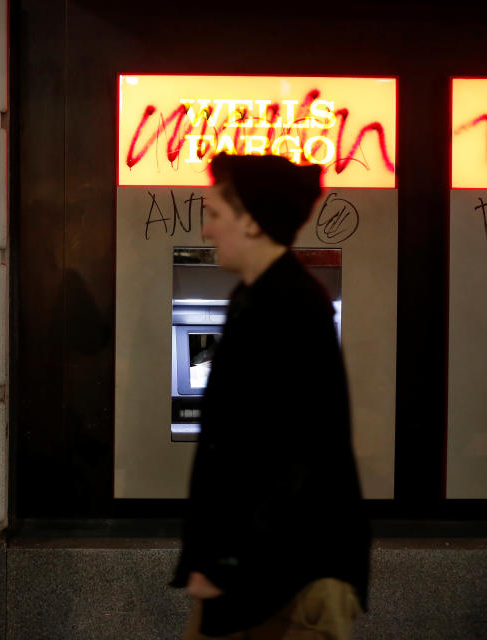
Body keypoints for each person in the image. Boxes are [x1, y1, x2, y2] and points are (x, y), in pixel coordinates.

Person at [170, 153, 372, 639]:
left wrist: (225, 561)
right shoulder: (257, 298)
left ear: (253, 223)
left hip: (290, 582)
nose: (206, 231)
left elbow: (299, 458)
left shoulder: (292, 308)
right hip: (258, 571)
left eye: (215, 215)